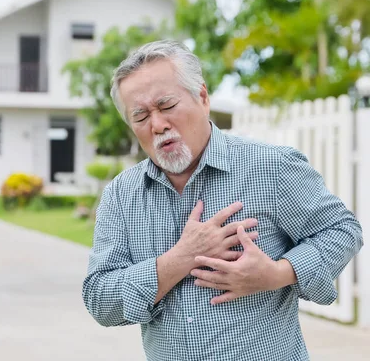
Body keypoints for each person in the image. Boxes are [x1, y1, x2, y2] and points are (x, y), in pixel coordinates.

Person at [81, 40, 364, 361]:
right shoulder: (121, 196)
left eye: (167, 105)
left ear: (202, 98)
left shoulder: (270, 167)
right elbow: (100, 299)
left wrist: (277, 273)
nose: (157, 124)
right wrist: (180, 259)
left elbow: (342, 230)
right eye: (141, 115)